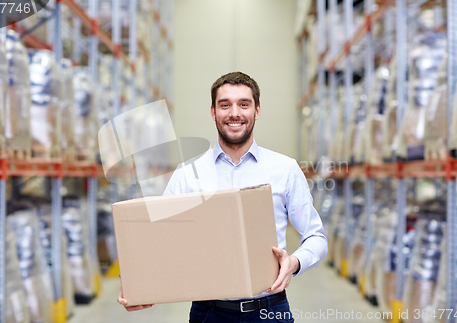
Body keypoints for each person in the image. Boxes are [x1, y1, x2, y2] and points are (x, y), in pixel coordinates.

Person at [117, 71, 328, 322]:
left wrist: (293, 263)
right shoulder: (188, 175)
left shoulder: (285, 169)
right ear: (213, 111)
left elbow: (316, 237)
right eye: (225, 105)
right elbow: (158, 244)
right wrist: (139, 284)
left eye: (244, 104)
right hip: (209, 313)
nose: (234, 113)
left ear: (257, 111)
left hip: (269, 310)